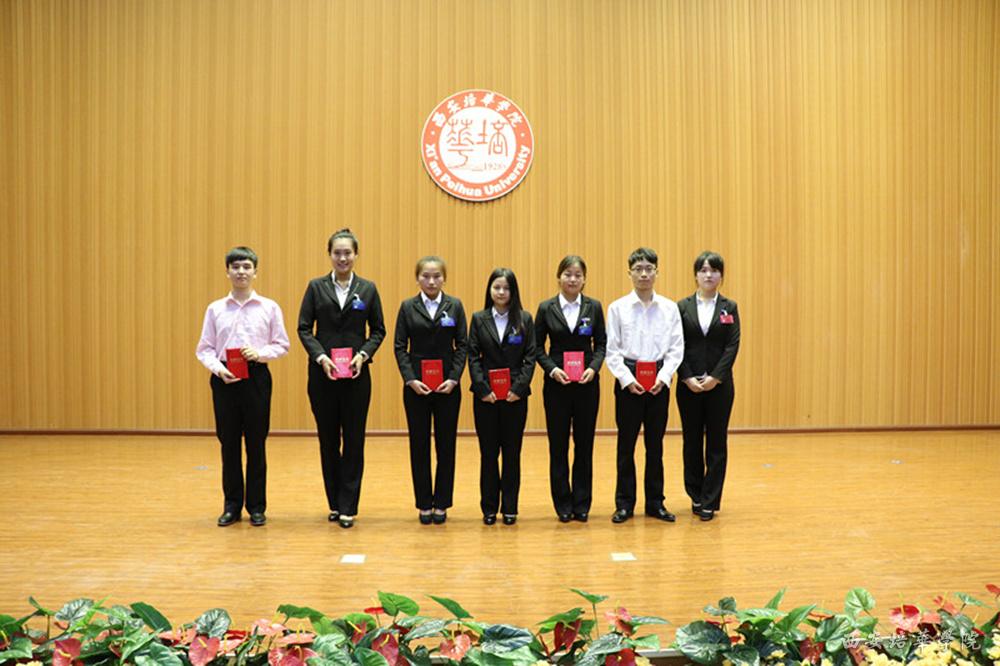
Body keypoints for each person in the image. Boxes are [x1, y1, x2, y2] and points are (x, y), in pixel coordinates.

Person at [195, 246, 290, 527]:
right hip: (225, 379)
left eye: (246, 267)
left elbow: (282, 344)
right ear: (227, 271)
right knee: (229, 443)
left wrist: (259, 354)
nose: (241, 272)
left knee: (256, 443)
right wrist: (218, 369)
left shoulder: (269, 307)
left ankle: (257, 507)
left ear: (255, 272)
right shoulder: (215, 309)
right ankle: (232, 506)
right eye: (235, 267)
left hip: (256, 377)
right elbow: (204, 349)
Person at [297, 229, 386, 529]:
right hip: (322, 376)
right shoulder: (316, 287)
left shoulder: (368, 289)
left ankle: (349, 506)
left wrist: (363, 354)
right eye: (337, 253)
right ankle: (334, 503)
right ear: (330, 255)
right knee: (328, 441)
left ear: (356, 254)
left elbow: (378, 330)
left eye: (348, 252)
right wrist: (321, 357)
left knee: (354, 441)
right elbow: (304, 328)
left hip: (357, 377)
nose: (343, 257)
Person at [605, 247, 684, 524]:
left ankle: (655, 503)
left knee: (655, 446)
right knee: (626, 446)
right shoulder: (617, 308)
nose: (643, 274)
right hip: (629, 382)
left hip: (659, 382)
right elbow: (611, 351)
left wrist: (664, 377)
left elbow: (676, 348)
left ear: (657, 272)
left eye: (649, 269)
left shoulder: (670, 308)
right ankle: (624, 504)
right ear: (629, 273)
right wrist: (627, 380)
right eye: (638, 269)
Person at [394, 256, 468, 525]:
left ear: (444, 278)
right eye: (426, 276)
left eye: (437, 276)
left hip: (448, 387)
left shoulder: (455, 306)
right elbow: (400, 346)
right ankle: (424, 503)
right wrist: (410, 379)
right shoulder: (407, 307)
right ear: (418, 279)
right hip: (417, 388)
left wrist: (454, 378)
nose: (431, 281)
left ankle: (442, 503)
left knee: (446, 445)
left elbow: (463, 345)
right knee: (419, 444)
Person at [534, 255, 606, 523]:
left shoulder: (594, 307)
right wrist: (552, 369)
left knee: (584, 445)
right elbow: (536, 347)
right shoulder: (546, 308)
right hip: (557, 386)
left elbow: (601, 344)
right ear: (559, 277)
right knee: (558, 445)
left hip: (587, 385)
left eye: (578, 275)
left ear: (584, 279)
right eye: (567, 274)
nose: (572, 279)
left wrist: (594, 368)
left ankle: (582, 503)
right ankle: (563, 503)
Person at [467, 268, 536, 526]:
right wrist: (483, 388)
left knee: (511, 453)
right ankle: (488, 508)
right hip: (486, 398)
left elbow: (530, 356)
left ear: (513, 291)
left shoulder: (524, 319)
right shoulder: (479, 319)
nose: (501, 292)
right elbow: (473, 356)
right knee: (488, 454)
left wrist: (518, 388)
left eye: (506, 288)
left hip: (515, 397)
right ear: (490, 290)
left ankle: (510, 508)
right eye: (496, 287)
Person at [676, 251, 740, 521]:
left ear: (721, 276)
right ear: (696, 275)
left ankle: (710, 500)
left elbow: (732, 345)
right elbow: (675, 344)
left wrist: (715, 377)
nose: (708, 274)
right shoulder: (681, 307)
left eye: (714, 270)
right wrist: (687, 376)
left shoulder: (729, 307)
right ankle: (695, 493)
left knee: (716, 442)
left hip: (720, 386)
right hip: (688, 385)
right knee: (691, 442)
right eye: (703, 270)